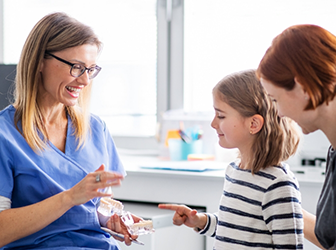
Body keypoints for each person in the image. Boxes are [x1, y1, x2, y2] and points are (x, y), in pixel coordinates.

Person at [0, 12, 140, 249]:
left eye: (91, 69)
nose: (85, 81)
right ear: (40, 61)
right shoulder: (6, 135)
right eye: (76, 67)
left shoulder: (96, 129)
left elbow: (100, 206)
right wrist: (69, 198)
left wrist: (111, 220)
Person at [159, 70, 304, 249]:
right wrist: (200, 221)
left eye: (221, 116)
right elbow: (233, 229)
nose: (213, 123)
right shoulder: (234, 171)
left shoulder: (278, 184)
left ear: (253, 124)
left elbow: (291, 246)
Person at [256, 24, 336, 250]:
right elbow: (333, 238)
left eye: (276, 100)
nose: (278, 113)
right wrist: (276, 202)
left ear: (303, 87)